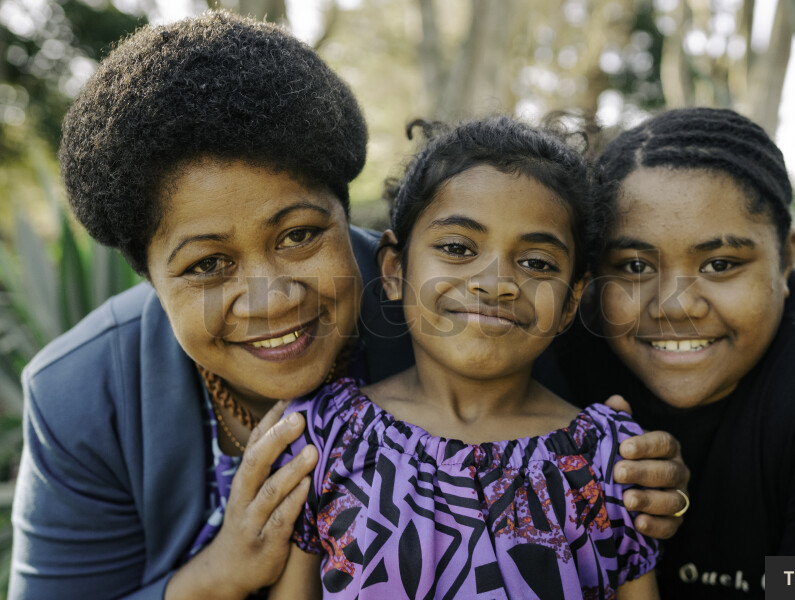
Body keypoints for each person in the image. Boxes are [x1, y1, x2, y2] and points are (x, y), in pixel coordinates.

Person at [9, 12, 686, 600]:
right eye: (208, 264)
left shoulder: (452, 309)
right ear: (149, 277)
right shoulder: (80, 394)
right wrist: (218, 575)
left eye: (300, 235)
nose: (272, 298)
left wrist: (655, 477)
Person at [268, 116, 660, 600]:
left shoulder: (607, 459)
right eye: (457, 248)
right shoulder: (324, 437)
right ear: (394, 269)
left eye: (537, 263)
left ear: (570, 303)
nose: (495, 281)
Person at [557, 107, 795, 599]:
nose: (675, 306)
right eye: (633, 265)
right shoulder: (557, 354)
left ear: (786, 259)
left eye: (719, 264)